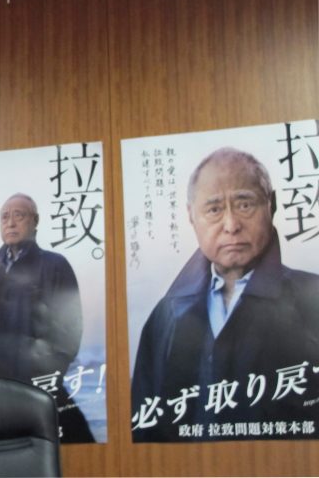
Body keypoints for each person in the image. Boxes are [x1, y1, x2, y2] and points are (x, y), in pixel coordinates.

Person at [131, 147, 319, 442]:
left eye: (244, 205)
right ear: (191, 216)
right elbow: (144, 431)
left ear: (272, 204)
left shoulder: (313, 297)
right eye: (214, 209)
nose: (231, 226)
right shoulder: (166, 315)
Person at [0, 193, 93, 442]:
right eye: (4, 217)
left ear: (35, 221)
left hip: (36, 389)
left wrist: (44, 375)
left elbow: (70, 329)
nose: (10, 223)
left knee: (70, 447)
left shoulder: (54, 265)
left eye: (19, 215)